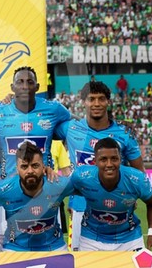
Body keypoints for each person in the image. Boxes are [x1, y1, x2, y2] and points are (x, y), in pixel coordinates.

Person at [54, 81, 144, 251]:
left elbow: (139, 172)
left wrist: (132, 197)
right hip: (81, 207)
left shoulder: (124, 134)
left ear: (108, 102)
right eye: (91, 99)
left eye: (101, 99)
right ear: (84, 102)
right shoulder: (70, 128)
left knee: (123, 263)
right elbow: (40, 129)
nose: (96, 103)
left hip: (118, 208)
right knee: (83, 264)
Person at [0, 66, 71, 178]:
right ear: (12, 87)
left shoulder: (53, 108)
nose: (25, 86)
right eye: (19, 82)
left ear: (37, 87)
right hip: (9, 182)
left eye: (30, 82)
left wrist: (54, 133)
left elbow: (76, 125)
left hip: (43, 181)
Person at [69, 138, 152, 251]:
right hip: (91, 239)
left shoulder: (137, 179)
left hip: (130, 239)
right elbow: (59, 192)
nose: (109, 164)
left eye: (114, 159)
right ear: (95, 161)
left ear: (120, 159)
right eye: (103, 159)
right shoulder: (81, 176)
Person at [0, 142, 72, 251]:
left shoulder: (58, 185)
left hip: (54, 246)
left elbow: (84, 186)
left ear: (43, 167)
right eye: (24, 166)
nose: (30, 171)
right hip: (15, 248)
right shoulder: (3, 190)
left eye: (35, 165)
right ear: (17, 169)